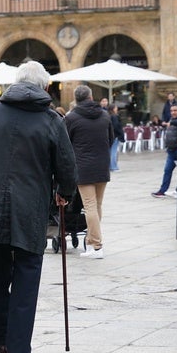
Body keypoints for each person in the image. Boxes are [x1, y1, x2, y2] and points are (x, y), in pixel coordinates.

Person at [0, 60, 76, 353]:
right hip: (30, 209)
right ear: (44, 87)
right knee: (27, 276)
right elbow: (66, 165)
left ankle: (1, 341)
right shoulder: (51, 119)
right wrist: (64, 193)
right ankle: (19, 350)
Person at [66, 85, 113, 259]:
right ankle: (91, 242)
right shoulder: (105, 115)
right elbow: (111, 139)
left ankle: (97, 246)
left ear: (76, 98)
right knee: (97, 205)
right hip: (102, 164)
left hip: (83, 166)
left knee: (90, 206)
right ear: (91, 97)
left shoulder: (71, 118)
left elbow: (66, 143)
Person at [151, 103, 177, 198]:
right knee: (167, 170)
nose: (173, 112)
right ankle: (162, 190)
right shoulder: (172, 119)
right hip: (171, 150)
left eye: (175, 110)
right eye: (171, 111)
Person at [108, 103, 124, 171]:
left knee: (110, 151)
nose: (117, 108)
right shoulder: (115, 116)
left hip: (110, 136)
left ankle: (110, 166)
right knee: (113, 151)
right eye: (116, 107)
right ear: (113, 109)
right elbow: (116, 126)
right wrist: (121, 134)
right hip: (115, 135)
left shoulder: (108, 116)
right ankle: (113, 166)